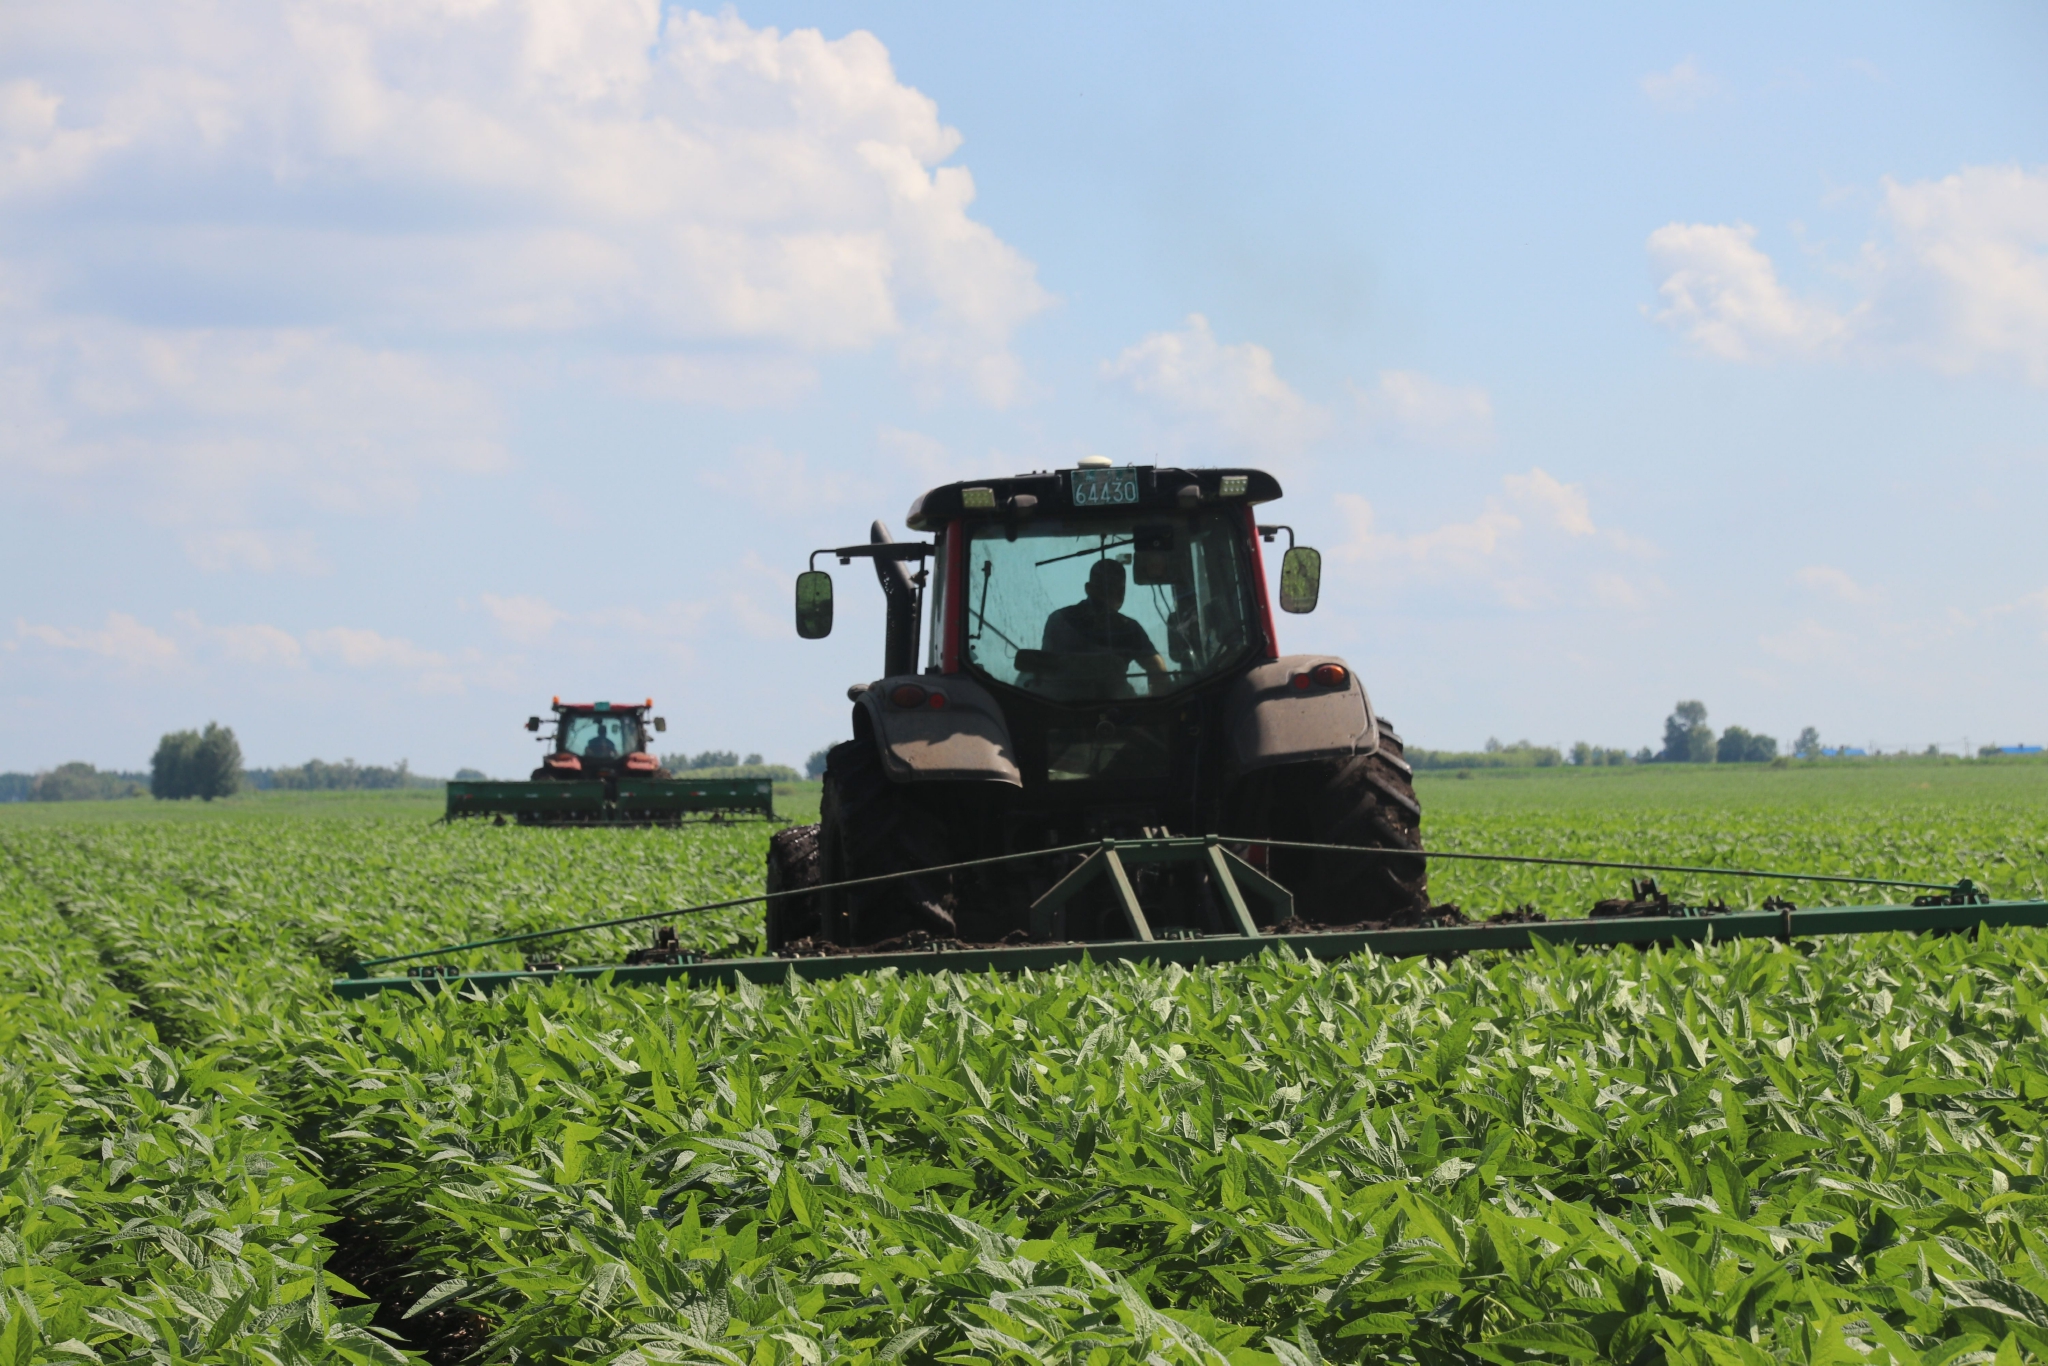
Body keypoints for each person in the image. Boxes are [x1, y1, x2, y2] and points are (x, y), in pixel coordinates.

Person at [1040, 558, 1171, 696]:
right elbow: (1158, 671)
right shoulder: (1129, 628)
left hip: (1061, 708)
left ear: (1088, 588)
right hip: (1119, 712)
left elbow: (1044, 669)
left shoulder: (1058, 619)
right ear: (1121, 593)